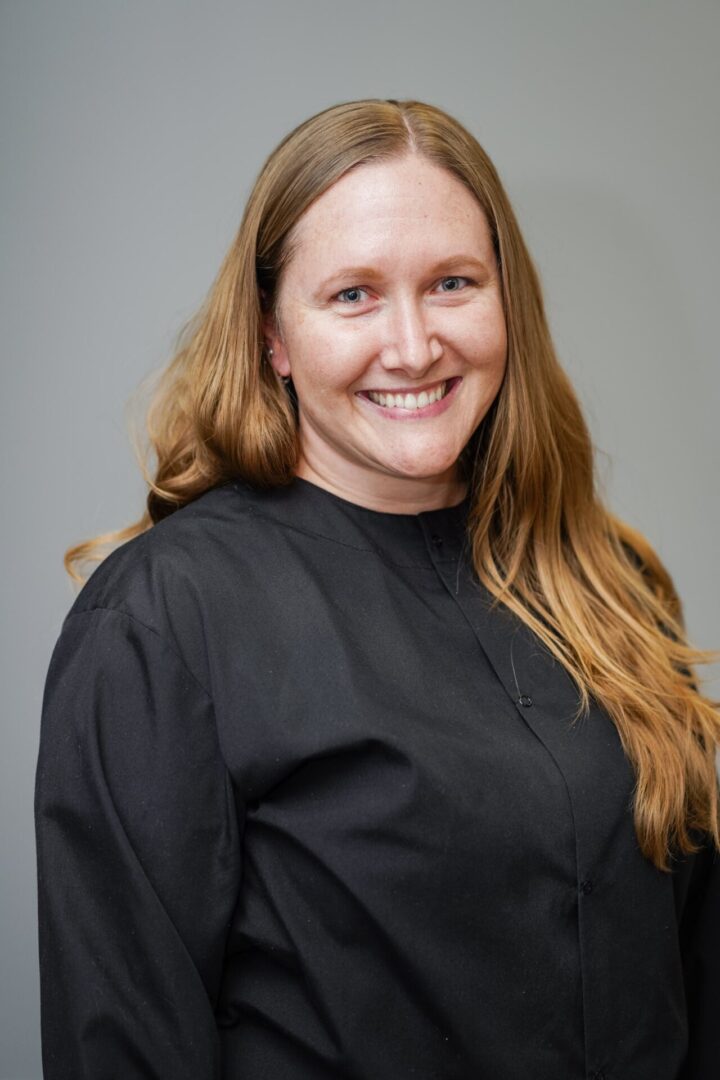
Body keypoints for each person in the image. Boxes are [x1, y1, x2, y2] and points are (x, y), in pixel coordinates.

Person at [34, 97, 719, 1080]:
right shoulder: (166, 617)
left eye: (452, 283)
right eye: (353, 295)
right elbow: (125, 1047)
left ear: (506, 302)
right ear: (274, 336)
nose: (413, 345)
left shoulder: (609, 582)